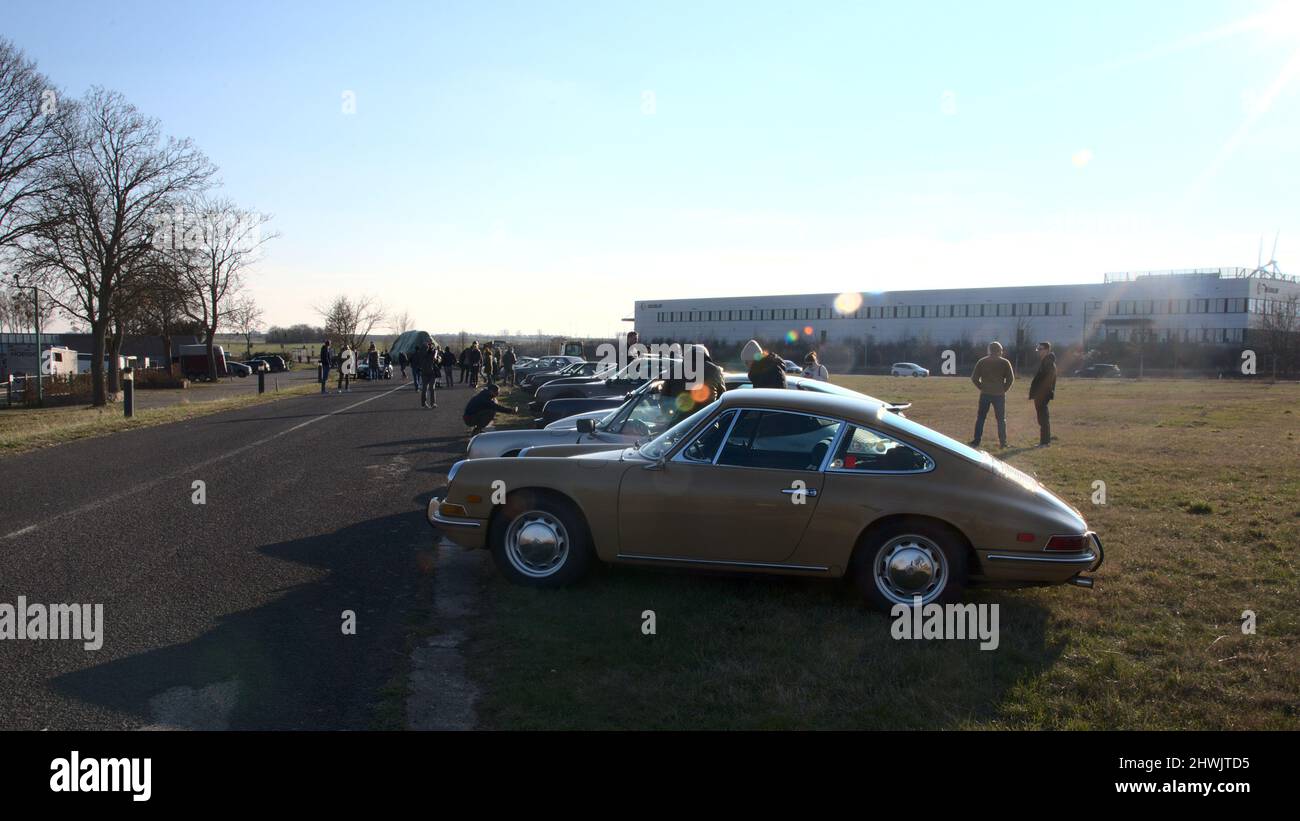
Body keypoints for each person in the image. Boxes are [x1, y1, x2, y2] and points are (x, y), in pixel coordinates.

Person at [969, 341, 1015, 449]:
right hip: (999, 394)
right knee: (1001, 419)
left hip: (985, 394)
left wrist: (982, 387)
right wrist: (1004, 389)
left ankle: (976, 440)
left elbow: (974, 378)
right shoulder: (1005, 362)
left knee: (981, 418)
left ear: (990, 350)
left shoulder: (982, 361)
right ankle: (1003, 442)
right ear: (1000, 351)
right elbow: (1010, 379)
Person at [1028, 341, 1057, 447]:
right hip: (1040, 394)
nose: (1039, 352)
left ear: (1046, 350)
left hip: (1042, 395)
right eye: (1038, 349)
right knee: (1042, 418)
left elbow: (1049, 379)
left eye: (1040, 349)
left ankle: (1045, 442)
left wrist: (1041, 393)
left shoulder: (1048, 362)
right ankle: (1045, 441)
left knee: (1043, 418)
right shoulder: (1045, 361)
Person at [419, 340, 439, 408]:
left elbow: (437, 359)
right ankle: (424, 404)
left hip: (431, 373)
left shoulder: (433, 352)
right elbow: (423, 353)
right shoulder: (423, 352)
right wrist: (428, 348)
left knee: (431, 388)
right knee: (424, 389)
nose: (430, 346)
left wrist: (437, 357)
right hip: (425, 373)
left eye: (430, 344)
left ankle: (432, 403)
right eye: (428, 344)